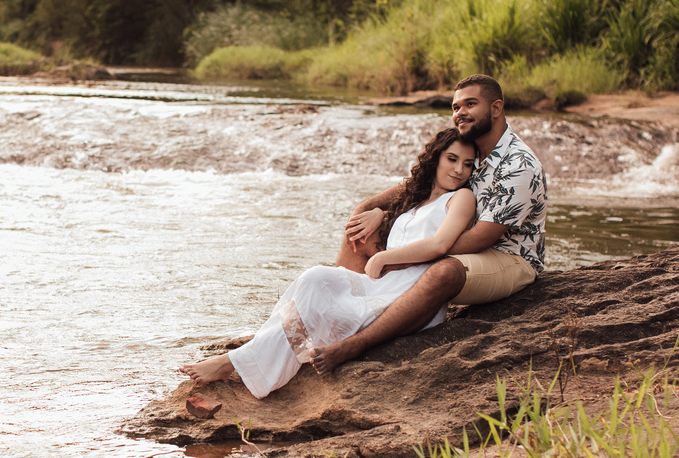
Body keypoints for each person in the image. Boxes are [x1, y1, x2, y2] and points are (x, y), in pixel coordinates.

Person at [180, 128, 478, 398]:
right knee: (314, 279)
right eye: (452, 159)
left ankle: (232, 362)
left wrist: (384, 257)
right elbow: (376, 211)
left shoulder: (461, 198)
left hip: (407, 293)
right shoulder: (417, 197)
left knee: (321, 304)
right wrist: (382, 214)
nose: (458, 170)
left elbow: (440, 244)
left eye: (467, 164)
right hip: (381, 282)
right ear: (436, 158)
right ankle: (256, 356)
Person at [307, 73, 546, 376]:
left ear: (496, 108)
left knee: (441, 272)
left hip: (508, 258)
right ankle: (337, 315)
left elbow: (481, 239)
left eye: (470, 104)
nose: (461, 113)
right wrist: (375, 210)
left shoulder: (518, 164)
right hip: (450, 240)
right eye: (456, 107)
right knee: (362, 234)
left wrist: (402, 255)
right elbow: (421, 184)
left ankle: (355, 344)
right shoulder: (469, 148)